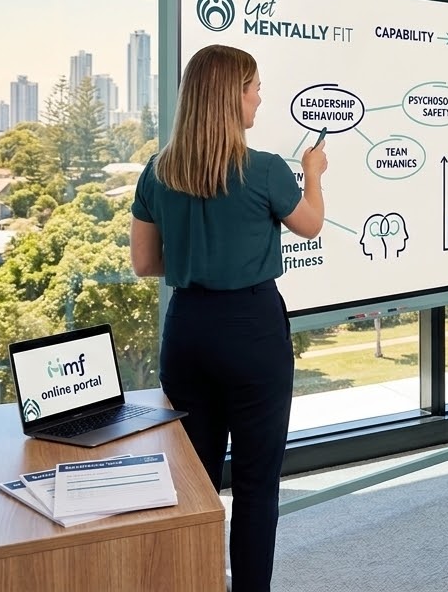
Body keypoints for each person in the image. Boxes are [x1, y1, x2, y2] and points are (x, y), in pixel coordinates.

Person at [130, 45, 327, 592]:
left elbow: (145, 262)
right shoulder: (264, 169)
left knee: (195, 482)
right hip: (253, 332)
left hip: (188, 332)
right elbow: (310, 224)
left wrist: (200, 260)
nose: (260, 98)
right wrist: (312, 172)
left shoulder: (157, 171)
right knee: (257, 484)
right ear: (231, 95)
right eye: (254, 88)